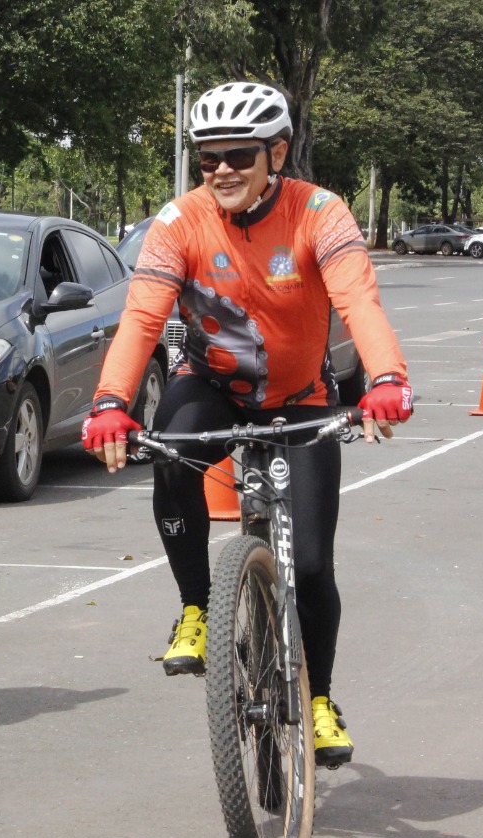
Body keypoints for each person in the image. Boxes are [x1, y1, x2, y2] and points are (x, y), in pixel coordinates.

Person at [81, 81, 412, 767]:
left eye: (238, 155)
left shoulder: (321, 214)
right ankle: (197, 607)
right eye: (208, 159)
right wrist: (110, 401)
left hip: (301, 396)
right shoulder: (179, 223)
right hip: (211, 386)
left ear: (277, 153)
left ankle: (319, 699)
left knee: (314, 564)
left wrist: (386, 378)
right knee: (170, 449)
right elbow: (143, 316)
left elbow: (358, 299)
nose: (222, 170)